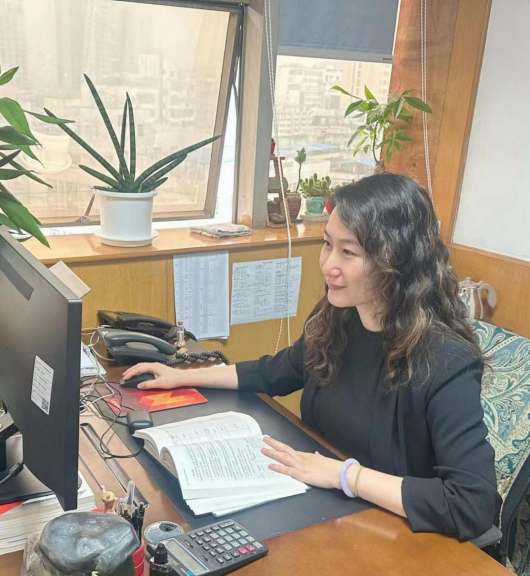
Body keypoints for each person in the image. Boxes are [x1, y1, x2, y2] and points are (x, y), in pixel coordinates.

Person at [122, 173, 501, 541]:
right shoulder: (338, 317)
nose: (328, 265)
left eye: (348, 252)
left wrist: (343, 475)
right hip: (328, 509)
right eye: (327, 244)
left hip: (398, 534)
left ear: (397, 262)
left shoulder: (447, 361)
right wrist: (182, 375)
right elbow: (276, 372)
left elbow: (471, 504)